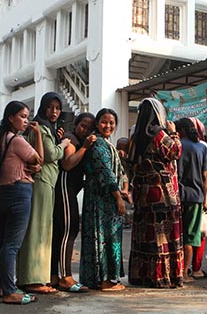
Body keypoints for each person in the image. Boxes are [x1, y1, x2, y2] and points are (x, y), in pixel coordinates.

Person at [127, 98, 184, 288]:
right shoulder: (158, 133)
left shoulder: (136, 136)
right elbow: (175, 151)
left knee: (145, 234)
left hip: (143, 193)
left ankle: (143, 275)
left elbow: (131, 164)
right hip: (162, 193)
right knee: (163, 235)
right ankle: (163, 275)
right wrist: (174, 132)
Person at [0, 101, 41, 305]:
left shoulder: (2, 138)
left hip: (3, 191)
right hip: (19, 191)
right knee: (12, 245)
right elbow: (39, 158)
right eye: (22, 116)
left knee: (3, 242)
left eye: (27, 116)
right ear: (11, 117)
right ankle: (10, 291)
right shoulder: (17, 140)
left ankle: (3, 286)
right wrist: (37, 135)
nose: (26, 120)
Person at [17, 92, 64, 295]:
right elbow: (51, 155)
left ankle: (33, 277)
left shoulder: (46, 128)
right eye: (50, 107)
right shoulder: (41, 128)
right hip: (42, 182)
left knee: (41, 229)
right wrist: (64, 144)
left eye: (57, 108)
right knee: (38, 230)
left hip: (46, 182)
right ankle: (33, 279)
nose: (53, 111)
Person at [80, 108, 128, 292]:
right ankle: (106, 280)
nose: (108, 126)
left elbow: (119, 172)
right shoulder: (98, 145)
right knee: (105, 237)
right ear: (97, 123)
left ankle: (98, 279)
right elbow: (107, 174)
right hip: (102, 200)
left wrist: (124, 190)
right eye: (104, 122)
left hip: (102, 198)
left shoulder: (105, 143)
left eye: (111, 122)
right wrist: (119, 198)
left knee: (103, 237)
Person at [50, 112, 95, 293]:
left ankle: (53, 275)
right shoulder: (71, 139)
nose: (85, 130)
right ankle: (66, 277)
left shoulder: (77, 139)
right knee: (69, 230)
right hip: (64, 190)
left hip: (69, 190)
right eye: (83, 125)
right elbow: (68, 164)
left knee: (60, 232)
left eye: (89, 128)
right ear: (76, 125)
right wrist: (84, 147)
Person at [175, 118, 207, 282]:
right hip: (196, 196)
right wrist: (205, 199)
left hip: (177, 195)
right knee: (190, 236)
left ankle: (176, 270)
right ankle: (184, 272)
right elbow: (206, 176)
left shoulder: (177, 146)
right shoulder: (201, 147)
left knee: (177, 234)